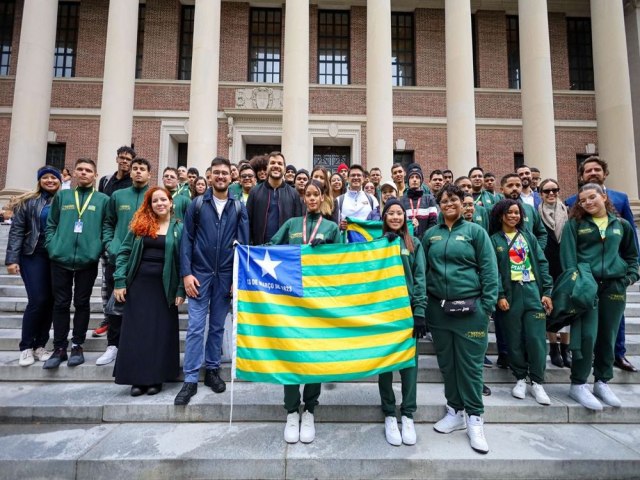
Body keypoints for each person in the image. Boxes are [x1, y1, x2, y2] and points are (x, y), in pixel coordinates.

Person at [422, 183, 498, 454]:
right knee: (447, 364)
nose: (449, 204)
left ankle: (475, 417)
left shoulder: (476, 232)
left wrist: (487, 307)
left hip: (471, 311)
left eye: (454, 199)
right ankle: (454, 411)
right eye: (444, 200)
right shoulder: (431, 235)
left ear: (463, 203)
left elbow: (490, 270)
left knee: (470, 366)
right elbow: (424, 269)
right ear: (439, 205)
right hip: (439, 311)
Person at [269, 180, 340, 444]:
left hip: (319, 303)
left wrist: (329, 250)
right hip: (291, 303)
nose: (311, 198)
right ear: (303, 197)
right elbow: (271, 248)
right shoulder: (290, 225)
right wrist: (246, 250)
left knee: (313, 356)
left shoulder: (332, 228)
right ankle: (291, 411)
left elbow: (340, 264)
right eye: (307, 194)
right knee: (291, 355)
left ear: (322, 197)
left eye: (316, 194)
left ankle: (309, 409)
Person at [174, 157, 250, 406]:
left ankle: (213, 370)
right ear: (209, 176)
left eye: (224, 173)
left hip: (225, 276)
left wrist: (236, 279)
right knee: (196, 326)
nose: (220, 177)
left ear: (231, 177)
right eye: (216, 173)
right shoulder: (196, 205)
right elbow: (186, 240)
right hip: (199, 275)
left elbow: (244, 246)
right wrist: (186, 274)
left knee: (217, 326)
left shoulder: (238, 207)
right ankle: (191, 378)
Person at [561, 183, 639, 411]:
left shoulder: (621, 225)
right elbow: (568, 258)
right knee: (586, 335)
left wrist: (629, 277)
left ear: (604, 197)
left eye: (592, 197)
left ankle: (602, 381)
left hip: (614, 287)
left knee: (608, 335)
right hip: (587, 286)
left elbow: (632, 255)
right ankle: (578, 383)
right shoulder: (575, 225)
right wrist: (577, 282)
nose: (587, 203)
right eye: (583, 200)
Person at [113, 187, 185, 396]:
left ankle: (156, 377)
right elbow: (124, 252)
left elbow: (183, 261)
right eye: (155, 201)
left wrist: (180, 288)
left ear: (171, 202)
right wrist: (119, 281)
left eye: (163, 199)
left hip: (165, 287)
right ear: (150, 204)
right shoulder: (140, 225)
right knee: (137, 333)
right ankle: (138, 378)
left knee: (160, 333)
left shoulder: (179, 228)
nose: (160, 203)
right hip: (138, 285)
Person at [43, 158, 109, 369]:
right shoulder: (63, 196)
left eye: (88, 170)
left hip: (87, 260)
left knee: (82, 303)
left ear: (95, 175)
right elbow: (51, 224)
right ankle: (59, 347)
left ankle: (77, 345)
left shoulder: (102, 200)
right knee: (61, 303)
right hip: (60, 258)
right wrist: (52, 246)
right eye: (80, 169)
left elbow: (106, 226)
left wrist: (96, 248)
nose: (83, 173)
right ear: (74, 174)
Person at [490, 199, 553, 406]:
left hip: (532, 291)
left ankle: (537, 381)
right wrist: (500, 295)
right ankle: (519, 378)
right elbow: (494, 271)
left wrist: (546, 291)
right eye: (509, 212)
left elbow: (541, 264)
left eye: (517, 212)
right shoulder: (494, 240)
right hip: (510, 294)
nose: (514, 216)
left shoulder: (529, 237)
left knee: (536, 339)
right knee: (514, 338)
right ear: (501, 215)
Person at [376, 199, 426, 447]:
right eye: (391, 213)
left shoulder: (414, 243)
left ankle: (407, 413)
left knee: (409, 366)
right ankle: (388, 412)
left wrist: (420, 311)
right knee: (385, 364)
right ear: (384, 217)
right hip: (383, 313)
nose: (395, 217)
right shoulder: (376, 244)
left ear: (405, 217)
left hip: (406, 312)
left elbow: (420, 279)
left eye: (399, 213)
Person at [97, 158, 151, 366]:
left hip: (144, 261)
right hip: (118, 258)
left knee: (139, 305)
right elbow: (108, 222)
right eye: (135, 169)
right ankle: (113, 345)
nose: (138, 172)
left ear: (148, 174)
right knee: (115, 305)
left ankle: (134, 344)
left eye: (142, 169)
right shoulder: (118, 196)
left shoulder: (154, 196)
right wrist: (110, 245)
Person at [5, 166, 61, 366]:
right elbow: (17, 231)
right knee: (38, 299)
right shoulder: (28, 202)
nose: (50, 181)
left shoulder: (64, 201)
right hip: (32, 254)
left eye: (53, 178)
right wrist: (12, 259)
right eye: (45, 177)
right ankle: (26, 346)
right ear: (39, 181)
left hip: (55, 256)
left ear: (60, 181)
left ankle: (40, 345)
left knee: (52, 301)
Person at [92, 146, 136, 339]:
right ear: (117, 158)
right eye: (122, 158)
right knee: (106, 283)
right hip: (109, 238)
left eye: (128, 159)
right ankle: (108, 317)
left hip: (127, 239)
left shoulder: (133, 183)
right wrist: (107, 241)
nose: (124, 161)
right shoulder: (105, 181)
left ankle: (123, 319)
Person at [538, 178, 572, 368]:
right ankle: (553, 347)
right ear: (540, 193)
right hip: (547, 265)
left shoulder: (569, 212)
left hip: (566, 265)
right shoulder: (537, 214)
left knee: (567, 307)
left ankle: (566, 348)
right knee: (549, 307)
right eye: (546, 191)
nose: (551, 194)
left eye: (555, 190)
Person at [246, 152, 302, 245]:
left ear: (284, 169)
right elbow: (247, 222)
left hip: (284, 250)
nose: (276, 166)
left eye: (280, 163)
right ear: (267, 167)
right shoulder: (254, 192)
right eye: (272, 163)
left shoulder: (294, 194)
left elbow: (297, 226)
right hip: (259, 249)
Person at [334, 164, 380, 228]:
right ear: (347, 178)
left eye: (358, 175)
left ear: (363, 178)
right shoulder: (338, 200)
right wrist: (339, 226)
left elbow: (376, 224)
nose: (356, 177)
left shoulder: (372, 199)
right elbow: (334, 226)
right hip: (346, 237)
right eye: (353, 175)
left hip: (367, 237)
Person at [401, 164, 437, 239]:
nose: (414, 179)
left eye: (417, 177)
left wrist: (424, 239)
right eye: (411, 177)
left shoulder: (429, 199)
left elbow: (433, 223)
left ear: (421, 181)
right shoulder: (402, 200)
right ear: (408, 181)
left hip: (425, 241)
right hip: (407, 240)